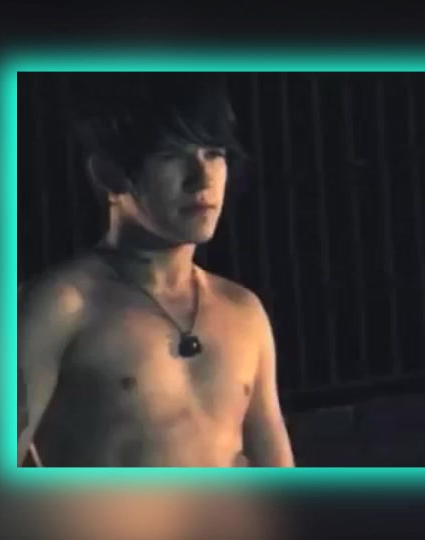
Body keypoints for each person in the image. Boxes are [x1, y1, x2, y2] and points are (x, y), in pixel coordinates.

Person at [17, 73, 294, 467]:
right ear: (109, 172)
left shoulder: (242, 311)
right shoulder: (60, 307)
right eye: (170, 155)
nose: (202, 179)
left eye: (214, 153)